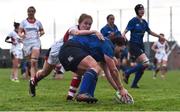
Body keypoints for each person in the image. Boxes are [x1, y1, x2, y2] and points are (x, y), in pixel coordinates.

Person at [59, 34, 133, 104]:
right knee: (95, 67)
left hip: (67, 52)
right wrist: (121, 88)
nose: (120, 54)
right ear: (116, 45)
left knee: (95, 72)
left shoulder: (104, 50)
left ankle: (89, 96)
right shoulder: (108, 45)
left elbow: (109, 75)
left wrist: (119, 90)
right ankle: (82, 93)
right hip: (70, 49)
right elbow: (113, 70)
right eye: (121, 51)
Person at [121, 4, 164, 88]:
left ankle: (134, 84)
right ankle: (127, 72)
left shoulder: (144, 22)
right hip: (134, 45)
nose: (142, 11)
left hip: (141, 45)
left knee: (143, 67)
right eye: (140, 9)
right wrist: (123, 35)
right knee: (146, 63)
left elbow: (150, 32)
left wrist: (159, 36)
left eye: (143, 9)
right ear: (136, 11)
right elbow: (125, 31)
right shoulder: (133, 21)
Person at [63, 13, 104, 101]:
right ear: (79, 23)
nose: (88, 26)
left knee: (86, 72)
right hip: (61, 51)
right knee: (94, 67)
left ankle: (75, 95)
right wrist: (94, 31)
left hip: (71, 53)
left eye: (90, 24)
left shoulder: (86, 36)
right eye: (85, 23)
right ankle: (82, 93)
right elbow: (77, 33)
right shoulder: (73, 28)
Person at [18, 6, 45, 85]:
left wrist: (41, 33)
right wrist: (21, 35)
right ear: (27, 12)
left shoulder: (38, 22)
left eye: (32, 11)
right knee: (32, 63)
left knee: (33, 61)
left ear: (34, 12)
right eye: (29, 11)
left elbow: (42, 31)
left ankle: (32, 80)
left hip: (36, 42)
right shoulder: (23, 22)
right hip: (26, 44)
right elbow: (19, 32)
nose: (30, 13)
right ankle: (35, 78)